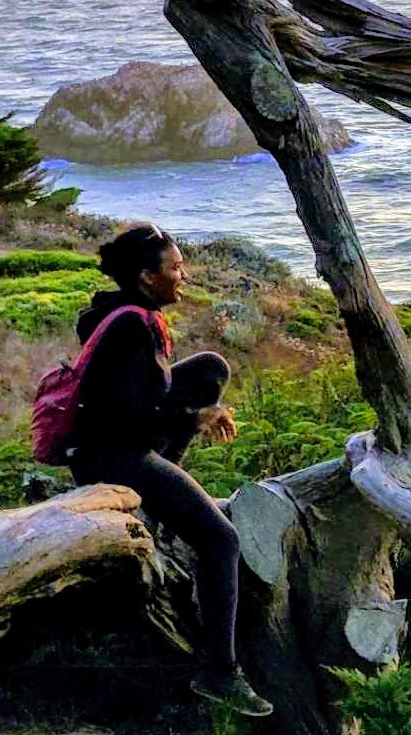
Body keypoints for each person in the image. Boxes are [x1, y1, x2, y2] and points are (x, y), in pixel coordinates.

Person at [68, 223, 274, 717]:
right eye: (175, 268)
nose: (184, 275)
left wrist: (194, 402)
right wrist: (193, 417)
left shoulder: (119, 311)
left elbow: (140, 398)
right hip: (111, 457)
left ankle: (161, 507)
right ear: (146, 277)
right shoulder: (130, 327)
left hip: (117, 444)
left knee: (208, 369)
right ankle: (219, 673)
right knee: (221, 540)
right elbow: (119, 416)